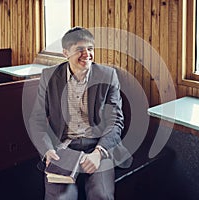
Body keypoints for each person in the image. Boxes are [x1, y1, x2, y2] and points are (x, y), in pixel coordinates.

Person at [28, 26, 132, 200]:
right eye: (79, 50)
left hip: (99, 145)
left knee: (101, 195)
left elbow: (115, 120)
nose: (87, 54)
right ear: (65, 53)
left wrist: (99, 152)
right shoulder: (49, 76)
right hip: (63, 147)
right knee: (61, 199)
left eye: (90, 49)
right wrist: (47, 151)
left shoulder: (108, 75)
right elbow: (36, 119)